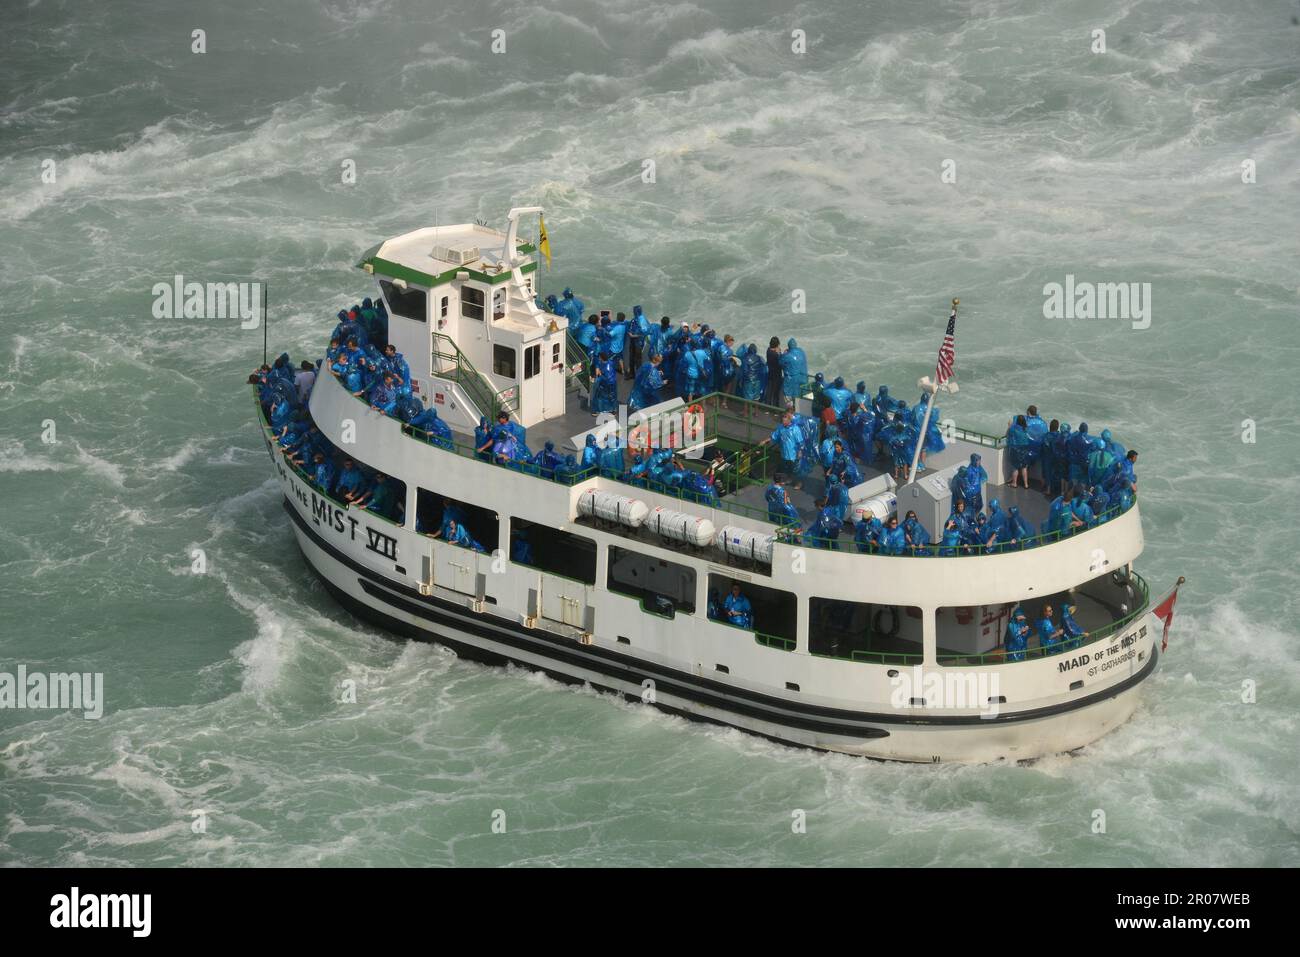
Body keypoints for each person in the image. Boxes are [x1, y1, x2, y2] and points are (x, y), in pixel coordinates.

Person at [760, 411, 805, 488]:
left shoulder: (795, 429)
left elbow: (800, 442)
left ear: (789, 420)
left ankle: (799, 483)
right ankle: (788, 479)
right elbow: (774, 436)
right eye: (783, 418)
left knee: (795, 469)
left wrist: (800, 451)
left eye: (785, 418)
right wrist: (764, 441)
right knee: (785, 468)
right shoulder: (780, 428)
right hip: (784, 453)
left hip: (793, 454)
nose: (783, 420)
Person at [1006, 414, 1033, 489]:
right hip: (1025, 449)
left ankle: (1014, 483)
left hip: (1015, 449)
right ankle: (1026, 484)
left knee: (1015, 467)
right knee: (1024, 467)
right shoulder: (1026, 428)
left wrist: (1009, 426)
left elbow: (1007, 435)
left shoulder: (1013, 428)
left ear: (1016, 421)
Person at [763, 337, 784, 406]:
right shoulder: (775, 355)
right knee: (776, 393)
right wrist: (780, 353)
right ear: (777, 345)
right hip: (777, 376)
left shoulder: (768, 351)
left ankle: (767, 407)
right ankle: (775, 409)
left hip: (770, 374)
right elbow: (781, 363)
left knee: (769, 392)